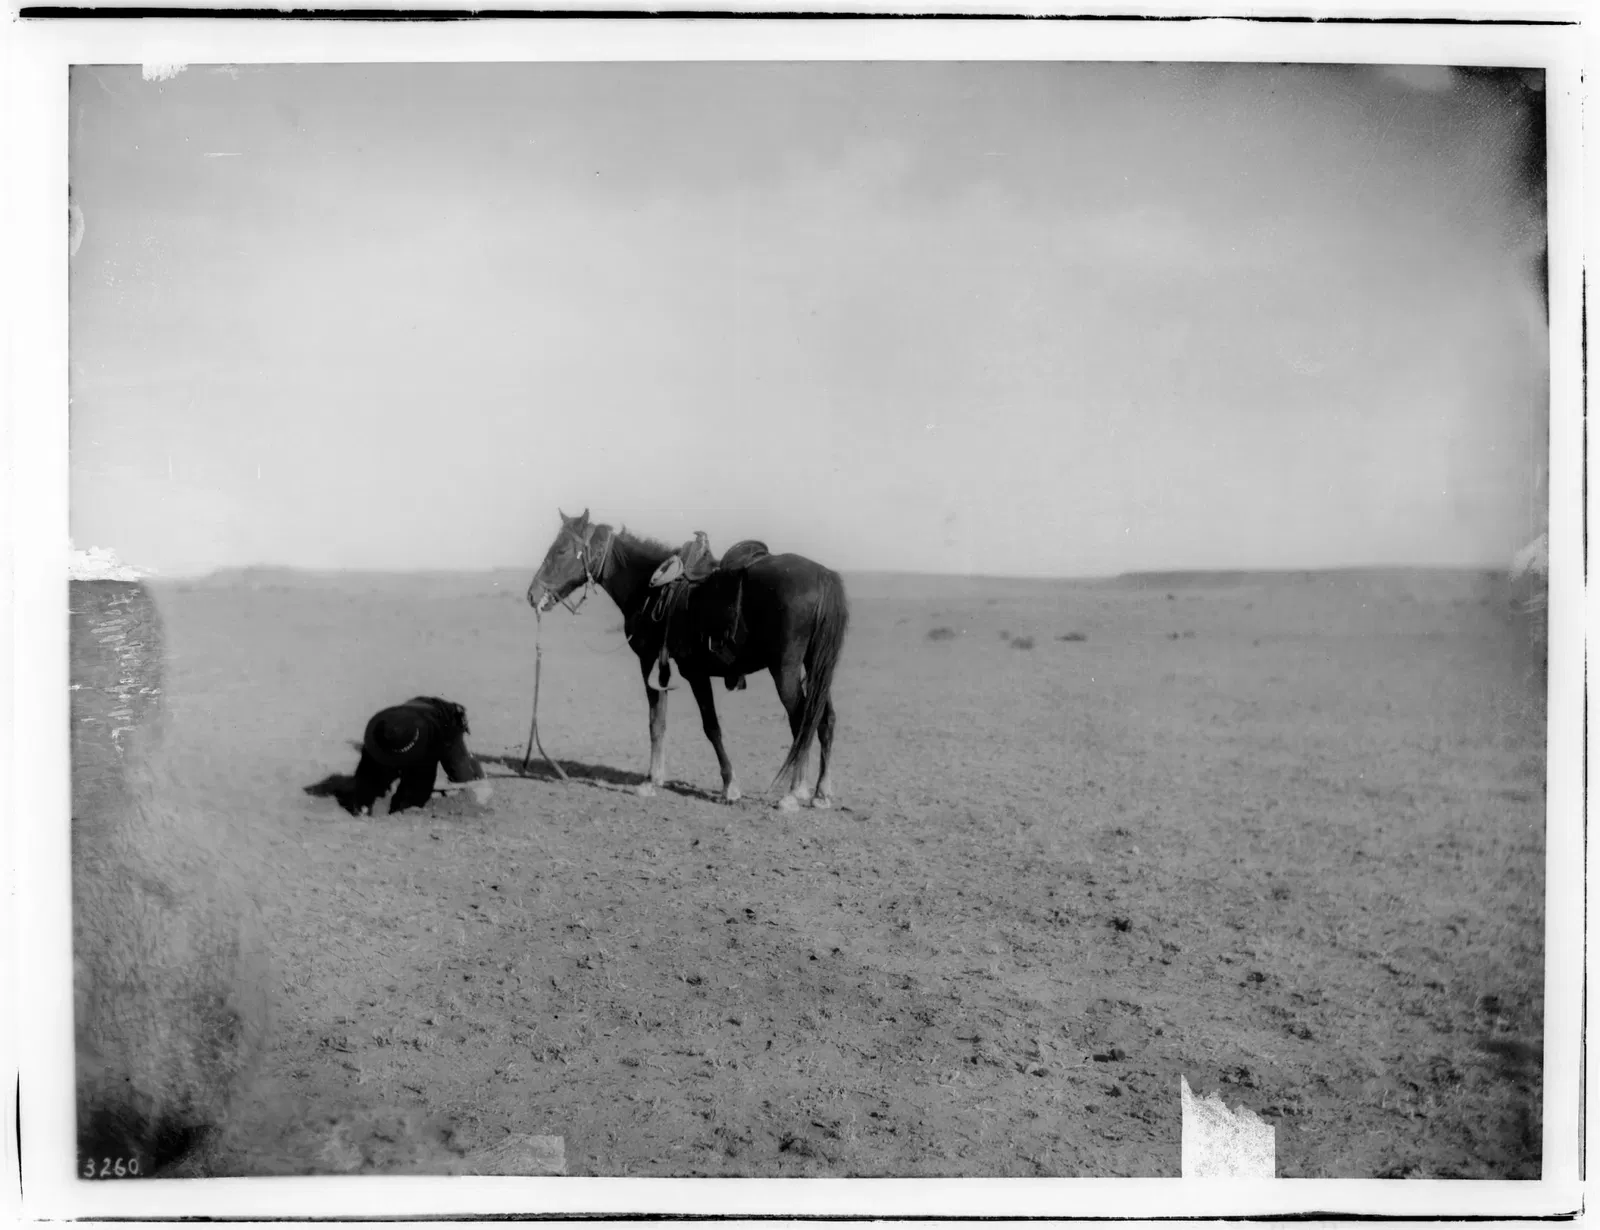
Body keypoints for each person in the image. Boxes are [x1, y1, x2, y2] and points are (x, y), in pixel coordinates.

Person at [337, 696, 485, 816]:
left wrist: (405, 807)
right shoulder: (383, 730)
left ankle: (474, 766)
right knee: (378, 770)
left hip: (447, 722)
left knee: (462, 775)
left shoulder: (429, 741)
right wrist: (362, 801)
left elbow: (422, 782)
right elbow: (366, 769)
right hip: (413, 713)